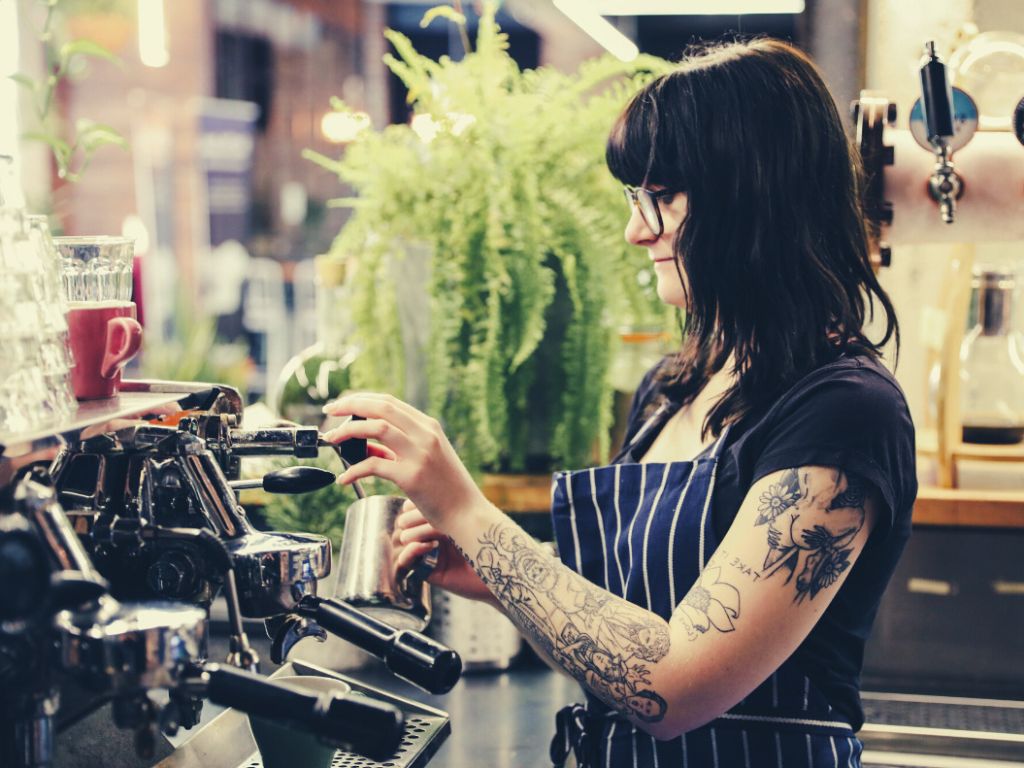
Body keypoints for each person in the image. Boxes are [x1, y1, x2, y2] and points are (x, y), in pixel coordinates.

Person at [323, 37, 916, 768]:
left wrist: (468, 509)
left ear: (752, 192)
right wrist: (493, 573)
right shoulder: (674, 389)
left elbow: (671, 686)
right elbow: (620, 635)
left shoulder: (845, 411)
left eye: (661, 196)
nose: (638, 229)